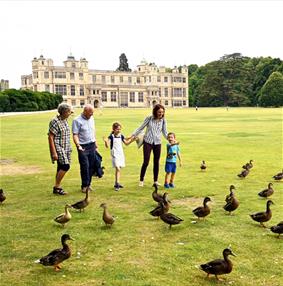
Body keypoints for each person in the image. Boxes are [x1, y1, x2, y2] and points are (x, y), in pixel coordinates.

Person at [130, 104, 168, 187]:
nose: (161, 114)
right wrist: (133, 135)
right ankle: (141, 180)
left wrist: (170, 139)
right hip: (148, 142)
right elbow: (141, 127)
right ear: (155, 111)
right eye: (159, 112)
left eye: (162, 112)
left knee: (156, 162)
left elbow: (165, 132)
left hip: (158, 143)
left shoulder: (163, 121)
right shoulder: (149, 118)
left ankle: (155, 181)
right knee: (146, 162)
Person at [48, 103, 73, 195]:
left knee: (60, 167)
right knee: (65, 166)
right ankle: (56, 186)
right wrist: (53, 152)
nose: (70, 113)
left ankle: (57, 189)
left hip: (66, 147)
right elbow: (50, 137)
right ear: (64, 112)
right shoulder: (55, 121)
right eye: (69, 112)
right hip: (58, 147)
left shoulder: (65, 120)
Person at [72, 104, 97, 193]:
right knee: (84, 166)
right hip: (83, 146)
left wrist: (96, 144)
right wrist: (78, 145)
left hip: (92, 145)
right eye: (90, 113)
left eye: (92, 113)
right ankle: (84, 185)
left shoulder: (92, 118)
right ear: (85, 111)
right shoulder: (76, 120)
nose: (92, 115)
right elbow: (75, 134)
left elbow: (93, 131)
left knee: (91, 166)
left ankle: (89, 184)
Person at [103, 122, 132, 191]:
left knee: (118, 169)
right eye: (117, 129)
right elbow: (107, 146)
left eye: (119, 129)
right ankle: (117, 184)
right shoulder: (111, 136)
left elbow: (126, 143)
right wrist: (105, 142)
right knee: (118, 168)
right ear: (113, 129)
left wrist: (132, 139)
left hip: (120, 154)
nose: (118, 130)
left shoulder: (121, 136)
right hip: (114, 154)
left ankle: (117, 183)